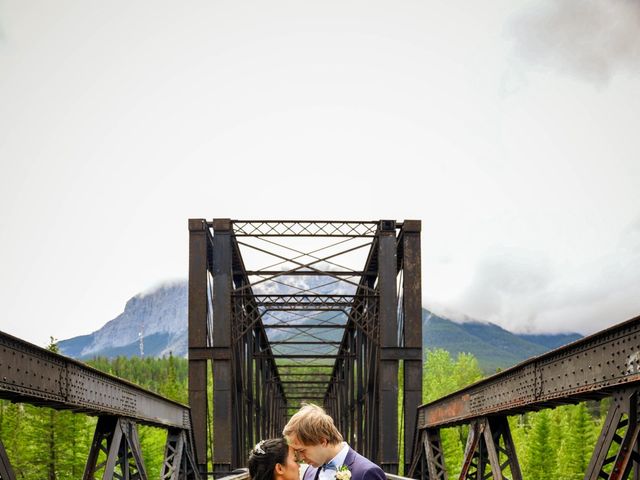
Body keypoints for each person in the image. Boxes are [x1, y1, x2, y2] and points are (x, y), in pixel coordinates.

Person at [283, 404, 385, 480]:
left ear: (323, 441)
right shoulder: (309, 472)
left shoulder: (366, 473)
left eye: (301, 450)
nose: (300, 458)